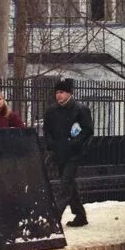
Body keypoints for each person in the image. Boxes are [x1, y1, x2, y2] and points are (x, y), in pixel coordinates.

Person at [42, 78, 94, 227]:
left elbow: (88, 130)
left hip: (74, 153)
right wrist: (51, 145)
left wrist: (74, 143)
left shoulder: (80, 109)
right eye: (57, 92)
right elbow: (47, 131)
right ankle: (80, 216)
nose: (58, 95)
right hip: (59, 152)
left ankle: (54, 219)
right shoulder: (51, 111)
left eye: (62, 92)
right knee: (69, 184)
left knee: (65, 185)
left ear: (69, 93)